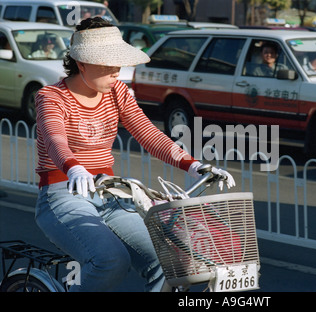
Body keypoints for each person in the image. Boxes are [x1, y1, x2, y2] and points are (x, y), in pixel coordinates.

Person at [34, 17, 235, 292]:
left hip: (109, 192)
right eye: (107, 64)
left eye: (118, 64)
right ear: (81, 63)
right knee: (110, 260)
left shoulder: (117, 92)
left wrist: (194, 165)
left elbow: (148, 134)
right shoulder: (51, 96)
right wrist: (73, 168)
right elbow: (55, 138)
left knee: (168, 262)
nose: (116, 72)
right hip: (63, 193)